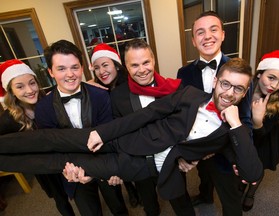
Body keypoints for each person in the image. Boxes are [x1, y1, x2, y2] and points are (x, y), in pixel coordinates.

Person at [0, 58, 263, 213]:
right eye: (226, 84)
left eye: (238, 89)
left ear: (245, 92)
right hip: (122, 137)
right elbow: (146, 115)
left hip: (137, 166)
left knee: (63, 161)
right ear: (216, 82)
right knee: (54, 140)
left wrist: (237, 125)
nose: (229, 93)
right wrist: (102, 133)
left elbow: (252, 174)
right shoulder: (190, 94)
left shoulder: (232, 131)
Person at [35, 40, 128, 216]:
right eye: (61, 69)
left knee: (118, 208)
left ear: (82, 67)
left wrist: (113, 168)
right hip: (72, 171)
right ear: (51, 72)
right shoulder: (43, 108)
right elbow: (52, 147)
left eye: (75, 67)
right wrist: (73, 170)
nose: (70, 74)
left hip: (104, 163)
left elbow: (110, 135)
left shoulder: (101, 96)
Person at [177, 11, 252, 216]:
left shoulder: (241, 72)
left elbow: (244, 120)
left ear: (223, 34)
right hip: (198, 145)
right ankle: (205, 195)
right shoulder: (183, 73)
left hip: (225, 151)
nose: (207, 36)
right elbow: (182, 114)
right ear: (193, 40)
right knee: (204, 178)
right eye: (200, 32)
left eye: (213, 29)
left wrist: (240, 154)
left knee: (230, 199)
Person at [108, 38, 186, 216]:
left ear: (153, 60)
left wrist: (184, 155)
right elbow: (117, 133)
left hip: (171, 160)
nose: (142, 70)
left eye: (146, 62)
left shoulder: (173, 88)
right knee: (150, 207)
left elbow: (184, 127)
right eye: (134, 65)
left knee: (182, 204)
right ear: (126, 67)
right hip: (138, 162)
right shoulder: (117, 96)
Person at [89, 43, 140, 208]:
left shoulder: (130, 84)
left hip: (130, 133)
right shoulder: (96, 89)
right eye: (97, 68)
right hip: (109, 136)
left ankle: (139, 188)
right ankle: (130, 189)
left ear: (117, 66)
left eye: (105, 65)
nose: (101, 71)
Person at [240, 50, 279, 211]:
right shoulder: (244, 88)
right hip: (243, 137)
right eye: (271, 77)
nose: (274, 86)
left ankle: (250, 194)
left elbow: (261, 135)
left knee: (257, 169)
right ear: (260, 73)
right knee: (240, 167)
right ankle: (240, 189)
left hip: (265, 139)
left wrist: (258, 120)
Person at [0, 59, 43, 212]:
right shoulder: (7, 120)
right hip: (41, 168)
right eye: (20, 86)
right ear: (11, 91)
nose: (30, 90)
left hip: (61, 160)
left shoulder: (46, 102)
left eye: (32, 83)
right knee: (58, 198)